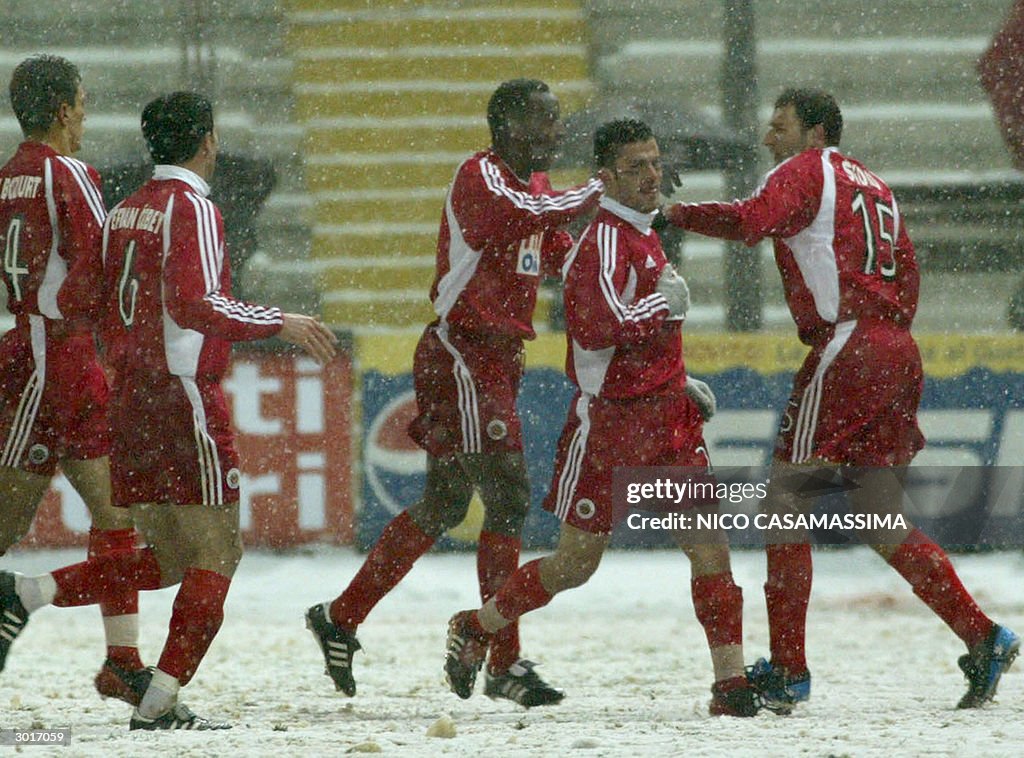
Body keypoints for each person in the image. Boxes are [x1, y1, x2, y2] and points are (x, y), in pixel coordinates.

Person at [662, 87, 1019, 712]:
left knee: (784, 499)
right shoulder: (875, 185)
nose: (770, 137)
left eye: (780, 125)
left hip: (848, 343)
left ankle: (790, 669)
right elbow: (908, 272)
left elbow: (750, 221)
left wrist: (677, 213)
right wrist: (884, 338)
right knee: (879, 515)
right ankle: (983, 636)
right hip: (896, 346)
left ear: (815, 130)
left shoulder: (805, 169)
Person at [0, 91, 338, 730]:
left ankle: (28, 592)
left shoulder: (125, 210)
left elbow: (76, 296)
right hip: (183, 398)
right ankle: (157, 704)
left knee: (173, 556)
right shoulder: (194, 208)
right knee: (218, 555)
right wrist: (279, 321)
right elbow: (194, 304)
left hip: (128, 398)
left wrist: (126, 340)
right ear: (207, 142)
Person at [443, 118, 761, 717]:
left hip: (667, 421)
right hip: (610, 428)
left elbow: (633, 334)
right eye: (637, 166)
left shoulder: (644, 234)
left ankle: (730, 684)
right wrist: (658, 306)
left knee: (710, 550)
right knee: (574, 565)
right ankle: (476, 624)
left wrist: (677, 379)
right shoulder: (602, 241)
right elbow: (593, 330)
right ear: (607, 177)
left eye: (656, 162)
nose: (652, 175)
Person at [305, 78, 603, 707]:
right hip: (465, 353)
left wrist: (611, 261)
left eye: (556, 120)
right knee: (509, 494)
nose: (555, 132)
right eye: (544, 121)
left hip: (492, 356)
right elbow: (522, 216)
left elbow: (554, 250)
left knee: (444, 503)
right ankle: (502, 657)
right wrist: (596, 191)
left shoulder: (535, 190)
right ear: (508, 125)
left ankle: (341, 615)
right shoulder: (482, 176)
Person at [0, 53, 150, 705]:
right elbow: (98, 263)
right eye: (83, 103)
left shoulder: (8, 177)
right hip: (53, 358)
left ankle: (122, 662)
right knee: (8, 521)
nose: (86, 114)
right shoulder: (68, 171)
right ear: (62, 110)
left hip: (45, 352)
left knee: (118, 514)